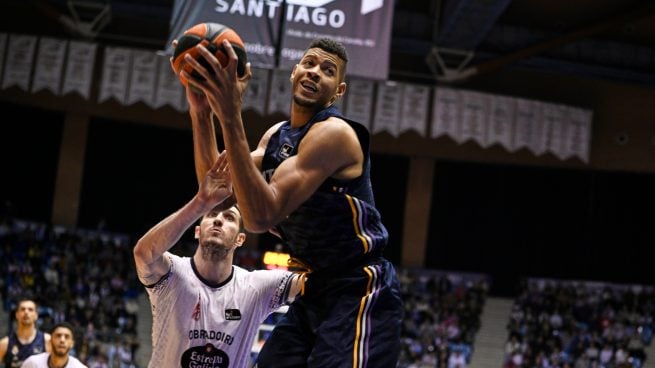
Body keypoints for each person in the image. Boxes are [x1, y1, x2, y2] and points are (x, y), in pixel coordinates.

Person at [180, 37, 404, 367]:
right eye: (309, 63)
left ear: (338, 91)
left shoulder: (335, 135)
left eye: (328, 70)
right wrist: (201, 112)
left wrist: (230, 113)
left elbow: (259, 217)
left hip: (360, 288)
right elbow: (214, 189)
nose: (315, 72)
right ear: (294, 72)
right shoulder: (276, 137)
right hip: (313, 288)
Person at [132, 153, 301, 368]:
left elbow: (313, 281)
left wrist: (291, 231)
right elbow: (143, 254)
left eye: (229, 217)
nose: (219, 219)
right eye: (211, 215)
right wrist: (201, 202)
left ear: (240, 239)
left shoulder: (256, 288)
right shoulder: (173, 273)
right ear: (197, 231)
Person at [0, 299, 52, 368]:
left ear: (36, 315)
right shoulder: (4, 343)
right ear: (17, 315)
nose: (26, 312)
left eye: (30, 309)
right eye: (22, 309)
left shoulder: (48, 340)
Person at [20, 322, 86, 368]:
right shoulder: (32, 363)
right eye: (58, 336)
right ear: (50, 341)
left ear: (72, 344)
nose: (62, 340)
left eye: (67, 337)